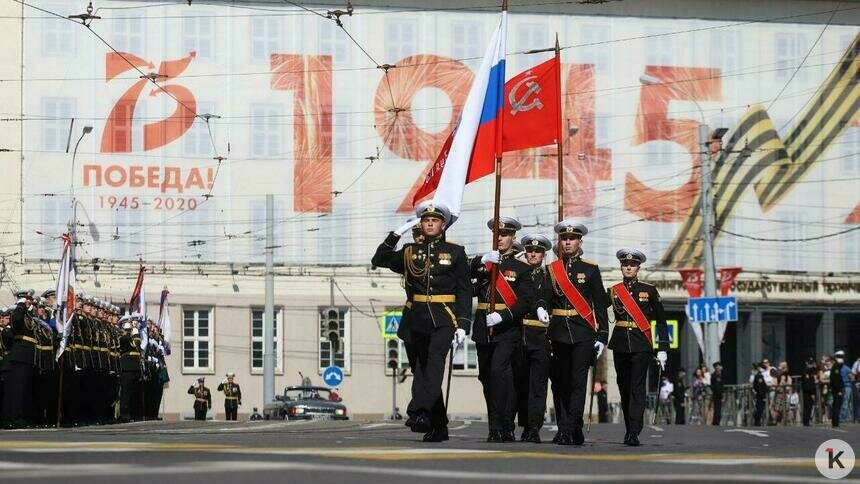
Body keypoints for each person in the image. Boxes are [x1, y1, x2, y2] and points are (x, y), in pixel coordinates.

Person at [370, 202, 472, 442]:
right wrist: (396, 234)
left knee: (434, 365)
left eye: (434, 220)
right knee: (421, 371)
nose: (429, 223)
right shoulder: (409, 252)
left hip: (444, 317)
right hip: (415, 319)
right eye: (425, 220)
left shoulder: (456, 252)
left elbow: (465, 291)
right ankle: (438, 425)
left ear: (442, 224)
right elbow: (379, 258)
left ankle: (419, 411)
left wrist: (463, 325)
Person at [470, 216, 534, 443]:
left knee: (499, 373)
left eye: (505, 234)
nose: (500, 238)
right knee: (487, 377)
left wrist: (503, 315)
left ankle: (504, 423)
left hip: (507, 329)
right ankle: (495, 425)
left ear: (513, 237)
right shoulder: (485, 263)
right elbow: (465, 279)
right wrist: (480, 261)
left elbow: (525, 302)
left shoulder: (521, 269)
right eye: (497, 234)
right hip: (482, 326)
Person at [546, 220, 609, 445]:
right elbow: (544, 297)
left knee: (577, 382)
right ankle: (564, 427)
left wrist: (602, 337)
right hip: (558, 332)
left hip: (583, 332)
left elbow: (600, 304)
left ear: (580, 242)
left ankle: (572, 427)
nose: (568, 242)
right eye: (564, 238)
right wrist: (540, 308)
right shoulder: (551, 270)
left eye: (572, 238)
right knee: (560, 382)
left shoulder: (590, 270)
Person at [607, 248, 669, 446]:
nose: (628, 267)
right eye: (625, 265)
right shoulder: (614, 291)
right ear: (621, 267)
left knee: (636, 388)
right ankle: (628, 427)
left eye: (632, 265)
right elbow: (599, 308)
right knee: (624, 388)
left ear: (638, 268)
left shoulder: (648, 290)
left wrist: (663, 348)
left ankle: (634, 431)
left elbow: (661, 320)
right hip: (620, 343)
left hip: (641, 344)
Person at [512, 233, 553, 443]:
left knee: (538, 385)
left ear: (543, 255)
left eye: (537, 251)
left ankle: (534, 427)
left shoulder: (550, 278)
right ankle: (524, 423)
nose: (533, 254)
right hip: (519, 334)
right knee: (520, 383)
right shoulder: (518, 274)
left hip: (541, 336)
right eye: (529, 251)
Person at [2, 290, 38, 429]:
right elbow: (16, 321)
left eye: (29, 299)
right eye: (27, 299)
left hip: (27, 355)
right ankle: (14, 417)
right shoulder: (18, 313)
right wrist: (20, 304)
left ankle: (20, 415)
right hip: (20, 355)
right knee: (17, 389)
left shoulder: (28, 315)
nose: (30, 301)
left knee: (23, 389)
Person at [830, 351, 846, 428]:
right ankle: (835, 423)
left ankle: (836, 422)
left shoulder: (837, 366)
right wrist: (839, 390)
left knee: (837, 405)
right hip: (837, 390)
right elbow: (836, 380)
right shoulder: (836, 367)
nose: (843, 359)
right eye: (841, 357)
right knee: (836, 405)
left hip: (837, 389)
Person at [800, 357, 818, 426]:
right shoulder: (806, 371)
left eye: (812, 363)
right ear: (807, 363)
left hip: (809, 390)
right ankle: (806, 421)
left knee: (809, 406)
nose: (811, 364)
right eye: (810, 363)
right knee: (807, 406)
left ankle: (806, 420)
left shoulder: (812, 370)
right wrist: (812, 393)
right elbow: (808, 383)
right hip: (808, 391)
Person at [711, 361, 724, 426]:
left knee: (718, 410)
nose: (718, 367)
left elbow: (722, 385)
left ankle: (717, 422)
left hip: (719, 395)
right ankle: (715, 422)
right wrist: (721, 395)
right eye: (717, 366)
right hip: (717, 395)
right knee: (717, 410)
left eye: (719, 366)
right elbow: (716, 387)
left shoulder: (720, 375)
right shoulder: (714, 376)